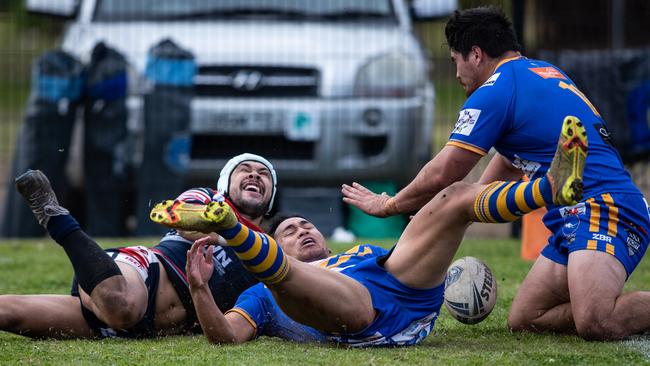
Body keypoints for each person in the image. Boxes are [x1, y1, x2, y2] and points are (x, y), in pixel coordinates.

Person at [341, 6, 650, 341]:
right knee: (527, 319)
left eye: (455, 59)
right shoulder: (541, 71)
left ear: (475, 54)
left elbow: (444, 170)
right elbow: (508, 160)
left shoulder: (495, 90)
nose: (456, 73)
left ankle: (597, 301)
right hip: (570, 217)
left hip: (605, 207)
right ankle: (591, 293)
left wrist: (390, 206)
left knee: (596, 321)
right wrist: (462, 210)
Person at [150, 123, 587, 346]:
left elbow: (413, 249)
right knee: (282, 276)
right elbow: (224, 337)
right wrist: (201, 289)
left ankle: (552, 187)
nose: (303, 229)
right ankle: (227, 224)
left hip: (403, 288)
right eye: (289, 229)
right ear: (272, 238)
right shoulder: (261, 297)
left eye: (308, 225)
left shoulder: (357, 251)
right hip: (360, 318)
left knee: (453, 198)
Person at [0, 153, 276, 339]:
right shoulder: (209, 198)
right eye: (245, 170)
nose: (254, 175)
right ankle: (58, 220)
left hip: (131, 325)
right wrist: (230, 237)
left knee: (10, 315)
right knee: (122, 304)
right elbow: (182, 218)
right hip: (141, 272)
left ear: (271, 197)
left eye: (264, 174)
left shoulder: (269, 252)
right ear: (225, 183)